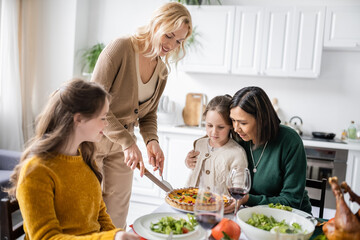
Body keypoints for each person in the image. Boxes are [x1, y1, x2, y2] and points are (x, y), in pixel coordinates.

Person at [91, 2, 193, 228]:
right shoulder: (121, 48)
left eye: (179, 41)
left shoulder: (162, 71)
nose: (172, 45)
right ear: (156, 24)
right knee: (87, 212)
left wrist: (152, 141)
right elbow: (95, 103)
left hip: (121, 150)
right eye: (169, 36)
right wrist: (128, 142)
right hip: (92, 141)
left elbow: (148, 114)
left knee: (116, 215)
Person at [6, 79, 139, 240]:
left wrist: (116, 234)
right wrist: (112, 238)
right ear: (79, 119)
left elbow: (100, 216)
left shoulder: (85, 158)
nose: (106, 124)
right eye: (103, 118)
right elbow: (46, 237)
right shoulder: (36, 171)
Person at [229, 86, 312, 214]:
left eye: (243, 123)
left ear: (262, 120)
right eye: (233, 121)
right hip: (250, 215)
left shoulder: (289, 141)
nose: (236, 128)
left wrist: (250, 199)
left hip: (291, 218)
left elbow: (292, 201)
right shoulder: (239, 138)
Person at [185, 95, 248, 212]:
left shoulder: (237, 153)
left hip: (220, 211)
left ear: (231, 126)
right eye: (209, 125)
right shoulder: (199, 144)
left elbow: (239, 189)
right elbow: (195, 170)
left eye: (220, 127)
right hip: (191, 204)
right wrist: (188, 162)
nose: (214, 132)